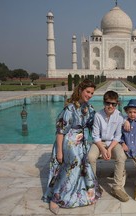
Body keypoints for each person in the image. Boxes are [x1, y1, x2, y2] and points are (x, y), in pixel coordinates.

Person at [42, 79, 102, 215]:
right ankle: (55, 199)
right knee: (72, 165)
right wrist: (59, 152)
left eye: (92, 93)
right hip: (69, 142)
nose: (90, 95)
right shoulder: (70, 108)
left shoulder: (88, 108)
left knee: (82, 165)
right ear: (80, 90)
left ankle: (78, 193)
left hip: (82, 142)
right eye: (88, 92)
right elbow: (60, 131)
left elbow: (95, 126)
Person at [88, 90, 129, 202]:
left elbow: (118, 136)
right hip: (99, 142)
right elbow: (95, 135)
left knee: (121, 157)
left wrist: (109, 149)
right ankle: (92, 184)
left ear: (117, 104)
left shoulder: (119, 116)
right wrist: (102, 149)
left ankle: (116, 188)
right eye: (108, 103)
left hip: (113, 143)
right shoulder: (98, 115)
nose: (110, 106)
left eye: (113, 104)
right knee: (91, 157)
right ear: (104, 103)